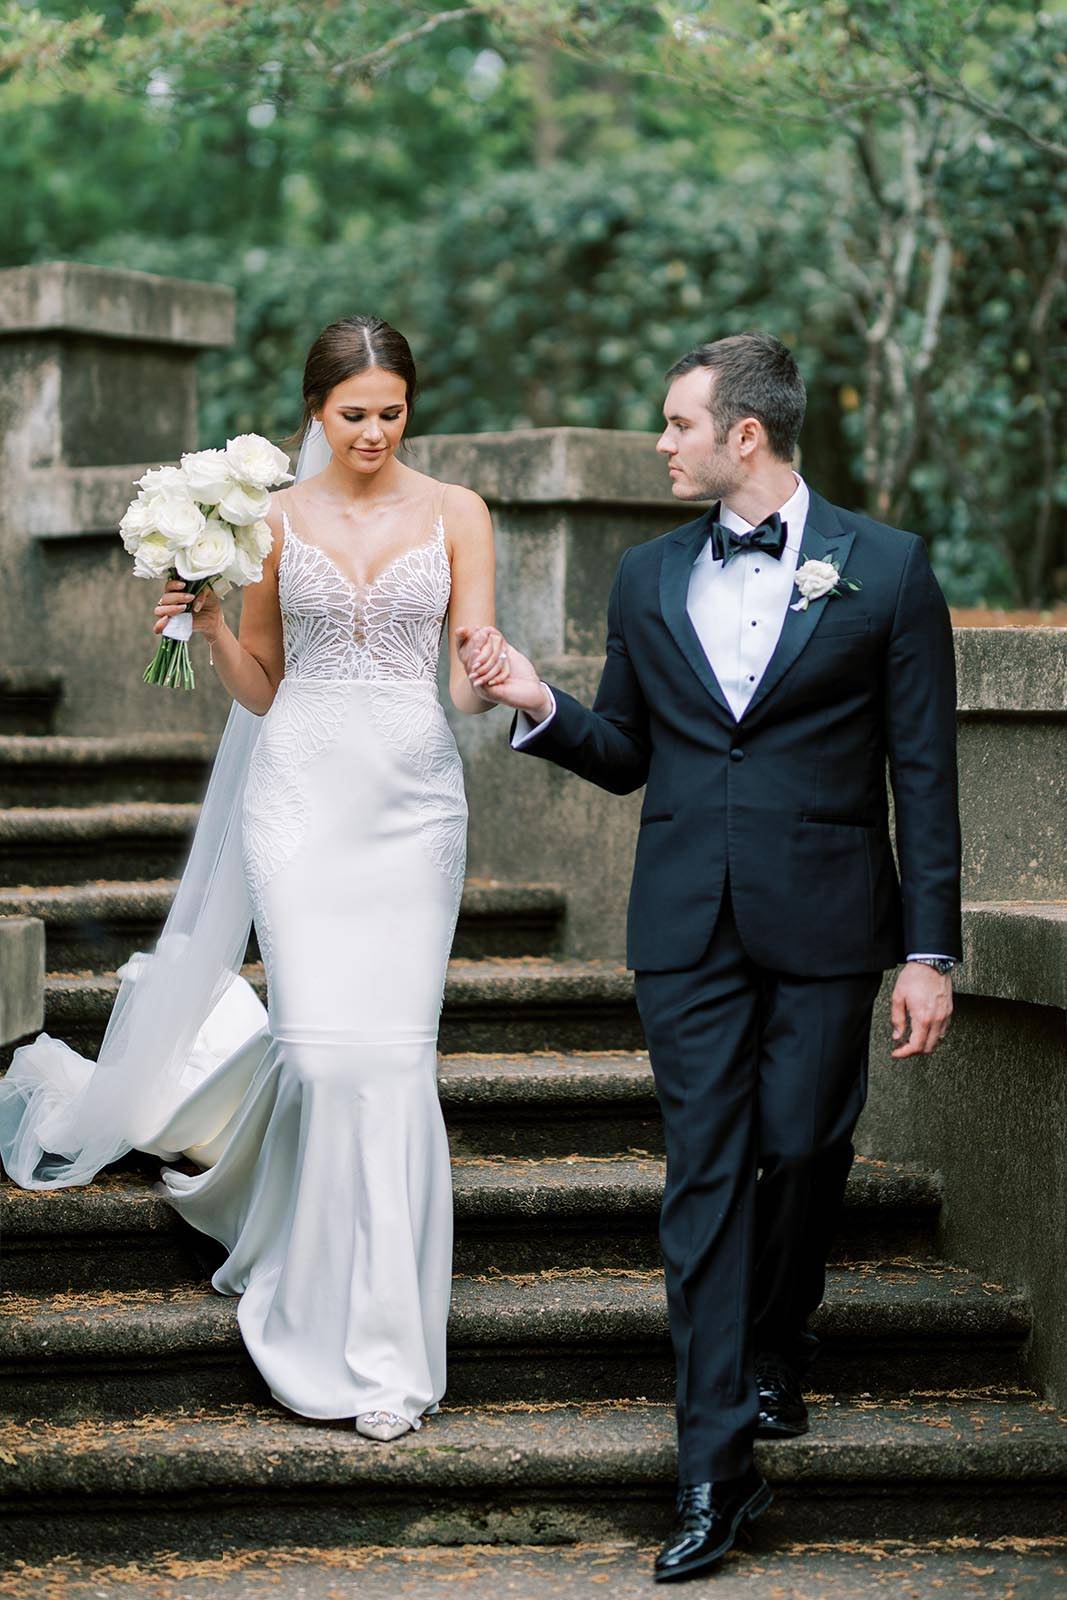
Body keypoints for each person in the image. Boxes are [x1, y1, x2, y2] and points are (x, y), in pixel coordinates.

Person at [457, 332, 961, 1581]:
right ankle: (713, 1471)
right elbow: (627, 749)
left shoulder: (887, 571)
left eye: (678, 423)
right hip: (683, 924)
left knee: (799, 1147)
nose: (663, 442)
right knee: (702, 1172)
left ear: (745, 434)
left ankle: (780, 1334)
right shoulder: (642, 576)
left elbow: (925, 776)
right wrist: (538, 702)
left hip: (829, 918)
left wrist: (928, 949)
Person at [1, 315, 508, 1442]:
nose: (372, 432)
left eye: (389, 411)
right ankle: (308, 1302)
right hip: (300, 803)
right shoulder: (269, 518)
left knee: (393, 1063)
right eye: (351, 413)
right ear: (316, 410)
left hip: (412, 806)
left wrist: (496, 677)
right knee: (327, 1061)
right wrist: (215, 618)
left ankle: (387, 1349)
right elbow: (264, 688)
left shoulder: (457, 513)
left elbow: (468, 684)